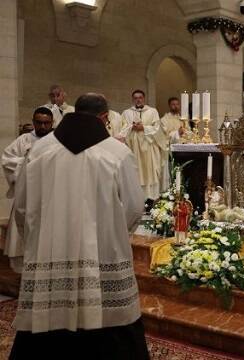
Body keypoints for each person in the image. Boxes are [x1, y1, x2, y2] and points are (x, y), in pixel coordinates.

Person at [10, 93, 149, 359]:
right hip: (102, 257)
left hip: (51, 256)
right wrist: (115, 237)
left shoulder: (39, 151)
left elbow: (23, 207)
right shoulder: (117, 153)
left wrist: (36, 240)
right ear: (105, 118)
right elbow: (133, 208)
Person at [1, 107, 54, 271]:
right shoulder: (23, 140)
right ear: (33, 122)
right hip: (27, 193)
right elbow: (7, 159)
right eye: (39, 123)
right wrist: (27, 164)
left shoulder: (56, 140)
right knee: (21, 238)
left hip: (49, 196)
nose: (43, 127)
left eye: (46, 123)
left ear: (52, 123)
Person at [121, 89, 162, 201]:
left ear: (144, 98)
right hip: (133, 147)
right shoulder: (126, 113)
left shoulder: (153, 111)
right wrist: (131, 127)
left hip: (148, 147)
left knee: (149, 171)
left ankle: (150, 197)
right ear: (132, 99)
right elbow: (122, 129)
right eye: (135, 98)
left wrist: (143, 127)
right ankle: (135, 197)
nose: (138, 100)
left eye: (140, 97)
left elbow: (158, 129)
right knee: (136, 171)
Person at [157, 97, 183, 191]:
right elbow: (163, 137)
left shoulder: (182, 119)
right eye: (173, 104)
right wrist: (177, 133)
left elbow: (188, 133)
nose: (175, 106)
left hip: (183, 151)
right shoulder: (164, 119)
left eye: (177, 104)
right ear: (169, 106)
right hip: (169, 152)